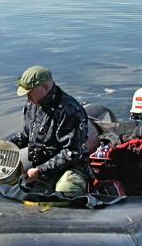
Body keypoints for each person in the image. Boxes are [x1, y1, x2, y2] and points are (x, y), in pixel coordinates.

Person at [9, 66, 92, 194]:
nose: (27, 97)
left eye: (30, 92)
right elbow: (27, 135)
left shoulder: (69, 110)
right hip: (40, 163)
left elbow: (72, 153)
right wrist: (5, 147)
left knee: (65, 190)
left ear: (46, 87)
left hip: (71, 167)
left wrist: (41, 170)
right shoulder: (32, 105)